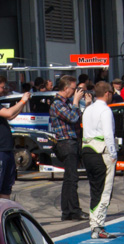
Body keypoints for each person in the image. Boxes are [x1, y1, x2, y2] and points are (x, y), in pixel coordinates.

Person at [81, 82, 117, 240]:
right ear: (108, 93)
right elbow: (108, 134)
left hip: (87, 150)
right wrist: (113, 153)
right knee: (104, 190)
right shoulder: (105, 110)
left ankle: (94, 224)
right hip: (102, 151)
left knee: (95, 189)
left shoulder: (88, 109)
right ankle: (98, 226)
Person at [49, 75, 87, 221]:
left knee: (69, 179)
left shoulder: (66, 102)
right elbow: (72, 117)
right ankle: (73, 211)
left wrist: (85, 103)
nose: (75, 91)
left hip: (72, 142)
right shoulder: (57, 104)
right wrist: (76, 102)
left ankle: (68, 212)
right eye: (73, 88)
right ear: (65, 88)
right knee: (71, 179)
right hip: (66, 143)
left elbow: (78, 118)